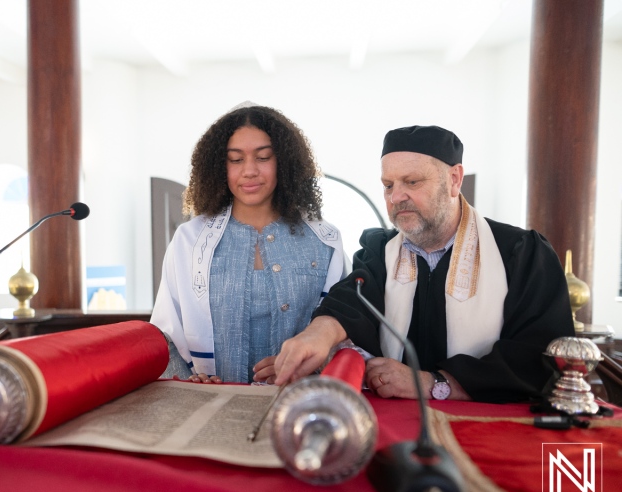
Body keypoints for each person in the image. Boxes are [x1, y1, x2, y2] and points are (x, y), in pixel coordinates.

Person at [274, 125, 574, 403]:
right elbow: (354, 299)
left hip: (490, 425)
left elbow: (540, 354)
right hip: (399, 429)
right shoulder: (381, 251)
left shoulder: (522, 254)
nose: (396, 196)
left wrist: (433, 383)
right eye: (388, 185)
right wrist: (318, 334)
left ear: (454, 180)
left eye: (412, 182)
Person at [150, 103, 346, 384]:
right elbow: (166, 335)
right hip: (209, 412)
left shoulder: (325, 242)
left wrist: (307, 369)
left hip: (298, 408)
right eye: (236, 159)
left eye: (263, 157)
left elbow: (341, 336)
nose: (250, 171)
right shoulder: (189, 241)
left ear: (284, 162)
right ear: (219, 166)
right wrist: (189, 386)